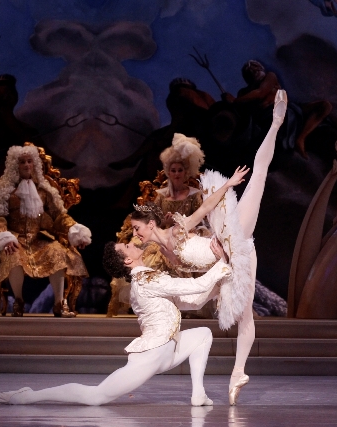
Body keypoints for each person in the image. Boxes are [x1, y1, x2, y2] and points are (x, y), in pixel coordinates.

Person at [129, 89, 288, 405]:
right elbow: (185, 277)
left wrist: (228, 186)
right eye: (136, 231)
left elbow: (202, 211)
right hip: (229, 262)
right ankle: (237, 372)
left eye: (138, 229)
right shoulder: (157, 253)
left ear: (150, 225)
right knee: (243, 316)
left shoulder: (178, 227)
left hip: (229, 238)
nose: (137, 234)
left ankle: (276, 123)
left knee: (258, 176)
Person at [0, 238, 231, 406]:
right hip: (153, 354)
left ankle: (198, 395)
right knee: (96, 397)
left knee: (203, 335)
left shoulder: (149, 278)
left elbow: (192, 301)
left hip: (169, 349)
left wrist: (219, 287)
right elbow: (195, 285)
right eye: (127, 246)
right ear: (128, 260)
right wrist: (221, 263)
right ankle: (28, 396)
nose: (132, 243)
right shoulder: (147, 279)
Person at [0, 144, 91, 317]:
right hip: (15, 238)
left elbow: (58, 216)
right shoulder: (5, 191)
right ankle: (18, 301)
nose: (26, 165)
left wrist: (74, 231)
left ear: (34, 164)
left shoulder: (45, 191)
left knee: (58, 252)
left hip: (39, 239)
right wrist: (4, 236)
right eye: (22, 162)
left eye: (29, 161)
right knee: (13, 254)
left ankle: (59, 304)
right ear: (15, 165)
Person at [155, 133, 205, 228]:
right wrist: (165, 222)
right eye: (173, 171)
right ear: (168, 173)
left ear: (185, 172)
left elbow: (200, 221)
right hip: (164, 237)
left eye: (180, 170)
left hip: (187, 236)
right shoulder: (161, 196)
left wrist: (180, 221)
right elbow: (151, 223)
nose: (177, 174)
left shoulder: (193, 195)